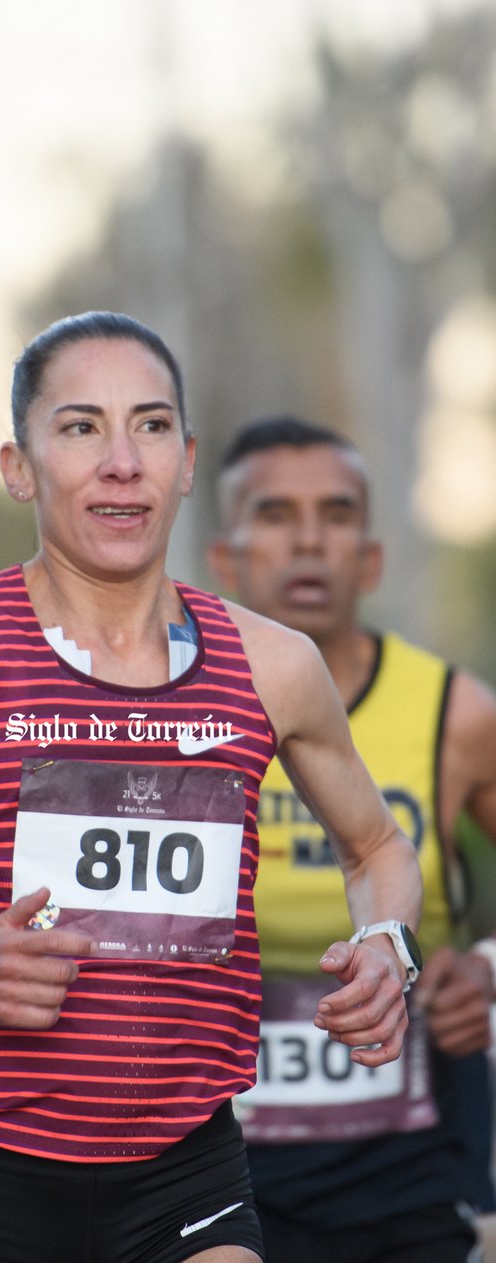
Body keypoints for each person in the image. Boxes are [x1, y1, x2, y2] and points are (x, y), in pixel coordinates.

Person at [0, 312, 424, 1263]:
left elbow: (377, 847)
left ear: (185, 461)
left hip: (188, 1175)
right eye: (80, 427)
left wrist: (389, 944)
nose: (120, 462)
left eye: (147, 426)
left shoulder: (273, 666)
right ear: (20, 467)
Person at [209, 416, 496, 1263]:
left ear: (368, 558)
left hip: (409, 1161)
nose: (307, 540)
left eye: (335, 515)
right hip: (209, 1165)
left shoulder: (456, 713)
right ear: (225, 558)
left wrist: (486, 968)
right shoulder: (164, 711)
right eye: (273, 514)